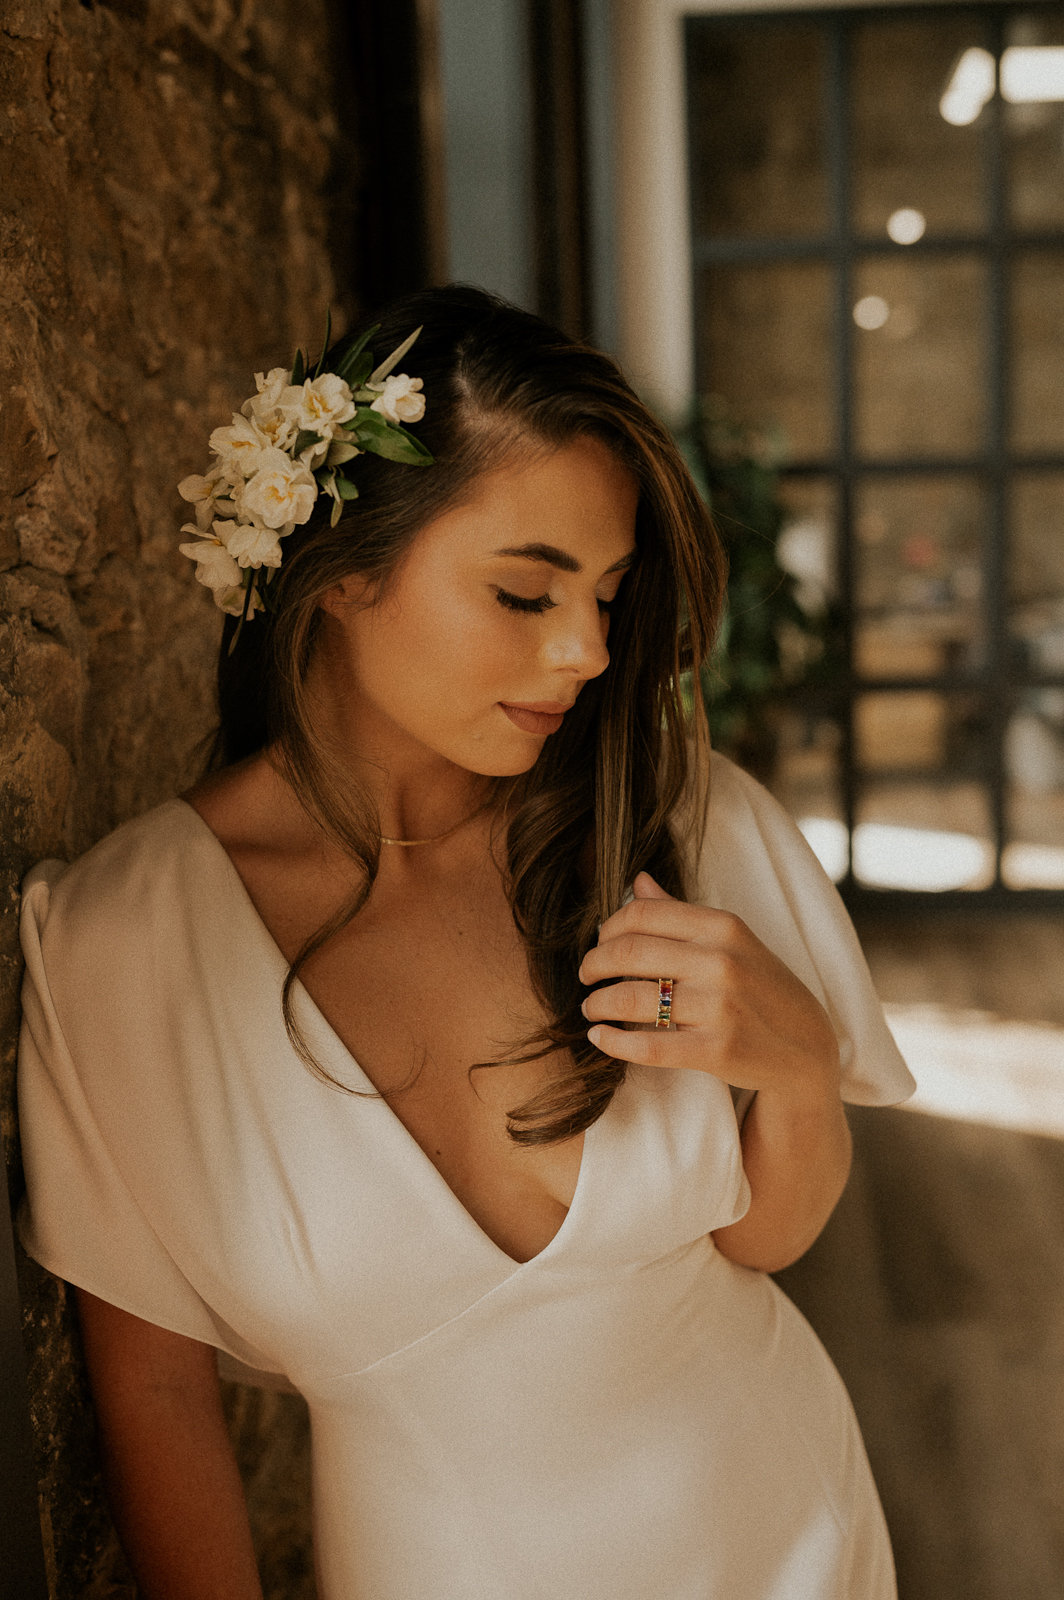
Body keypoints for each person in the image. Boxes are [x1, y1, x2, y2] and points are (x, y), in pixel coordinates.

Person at [17, 285, 915, 1600]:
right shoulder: (122, 939)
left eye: (609, 594)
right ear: (340, 569)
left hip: (786, 1531)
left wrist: (793, 1054)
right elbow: (155, 1389)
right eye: (523, 593)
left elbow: (768, 1238)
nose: (589, 651)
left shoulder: (671, 815)